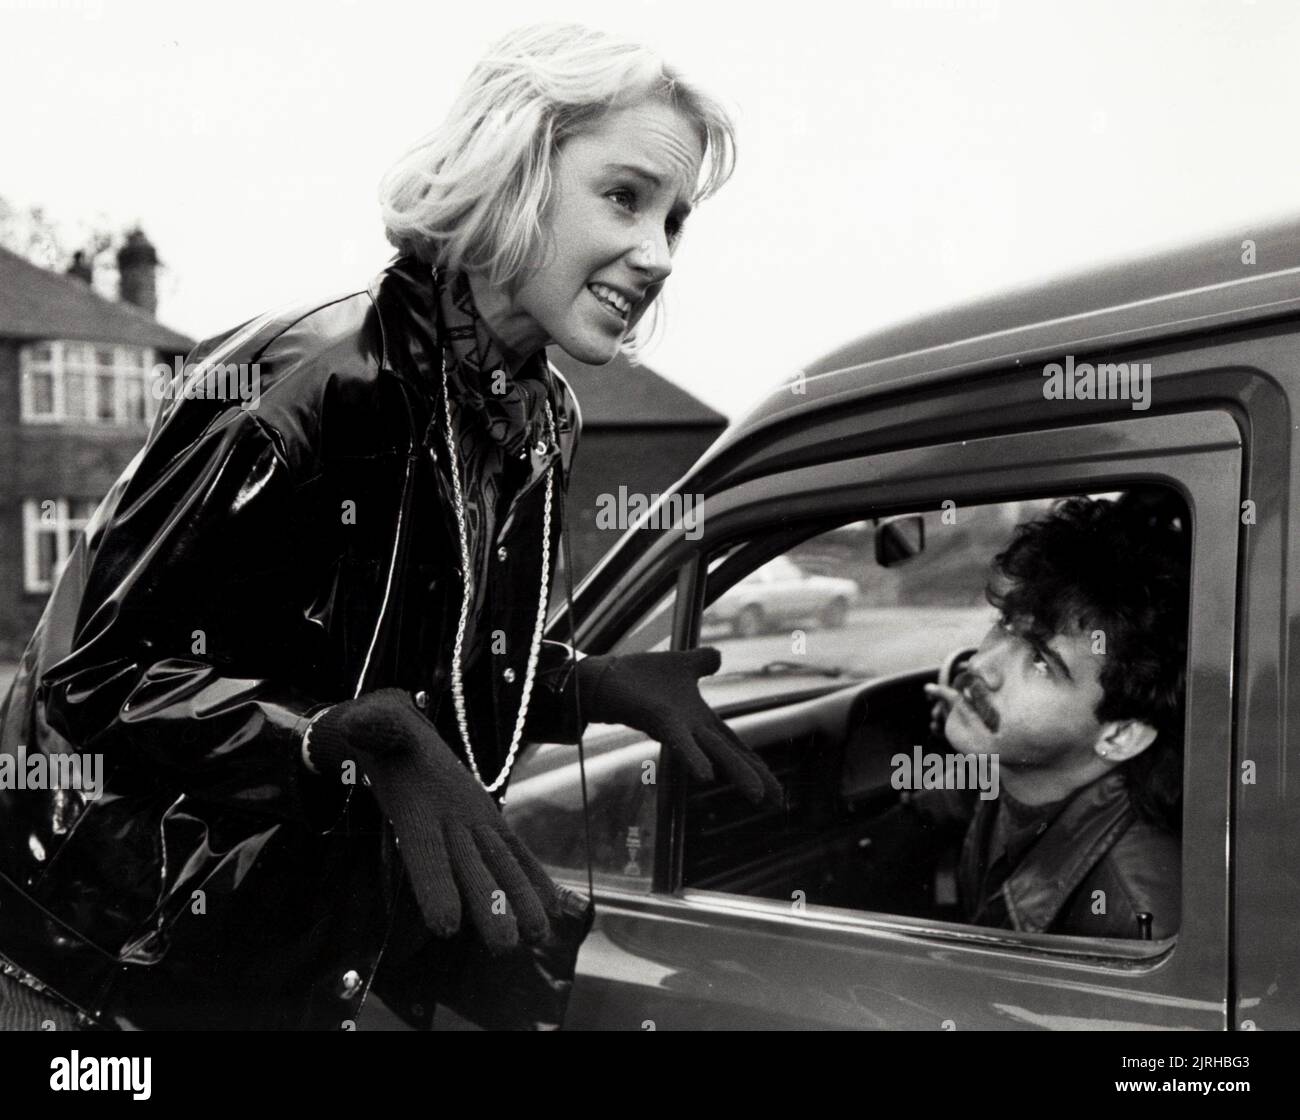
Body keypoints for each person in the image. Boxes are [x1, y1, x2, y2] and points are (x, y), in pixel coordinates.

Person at [0, 22, 780, 1031]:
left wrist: (578, 682)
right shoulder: (300, 381)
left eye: (675, 220)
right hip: (94, 972)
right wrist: (328, 739)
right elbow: (93, 675)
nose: (657, 253)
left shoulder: (537, 414)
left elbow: (417, 668)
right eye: (624, 197)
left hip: (287, 965)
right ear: (513, 173)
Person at [914, 492, 1188, 939]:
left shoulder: (1133, 921)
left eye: (1041, 661)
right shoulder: (1019, 768)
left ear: (1120, 734)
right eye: (1004, 624)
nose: (980, 666)